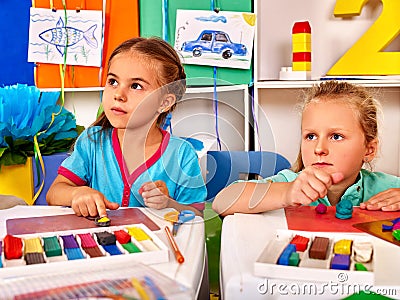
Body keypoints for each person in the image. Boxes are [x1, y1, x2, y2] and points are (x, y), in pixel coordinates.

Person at [47, 37, 206, 217]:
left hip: (158, 244)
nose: (118, 94)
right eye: (113, 81)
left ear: (164, 102)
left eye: (136, 86)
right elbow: (54, 193)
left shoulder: (182, 154)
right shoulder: (92, 141)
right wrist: (77, 193)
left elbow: (197, 214)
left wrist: (168, 204)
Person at [212, 80, 400, 216]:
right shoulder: (291, 182)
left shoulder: (386, 188)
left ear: (369, 149)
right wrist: (287, 192)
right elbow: (222, 201)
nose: (319, 148)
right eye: (311, 136)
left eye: (336, 136)